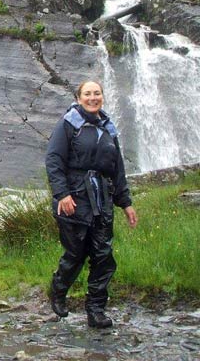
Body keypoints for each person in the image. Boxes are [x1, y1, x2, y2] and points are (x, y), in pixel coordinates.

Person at [45, 80, 138, 329]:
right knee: (76, 253)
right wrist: (62, 194)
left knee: (103, 256)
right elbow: (53, 159)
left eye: (97, 93)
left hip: (103, 200)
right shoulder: (68, 124)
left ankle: (96, 310)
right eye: (88, 94)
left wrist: (126, 203)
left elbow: (117, 168)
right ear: (78, 98)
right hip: (74, 198)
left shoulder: (108, 128)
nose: (93, 97)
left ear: (103, 97)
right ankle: (58, 290)